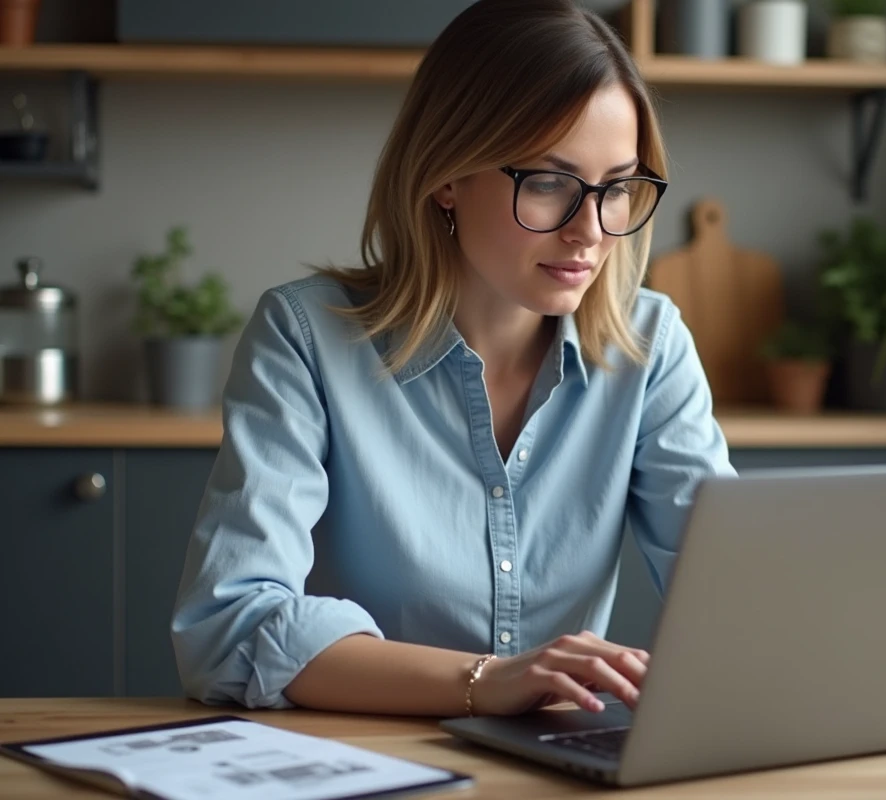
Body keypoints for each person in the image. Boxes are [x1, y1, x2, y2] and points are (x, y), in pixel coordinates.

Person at [171, 0, 736, 719]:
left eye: (617, 188)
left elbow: (738, 594)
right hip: (365, 757)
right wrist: (482, 682)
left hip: (557, 761)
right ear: (447, 175)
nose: (591, 231)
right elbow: (228, 628)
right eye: (549, 183)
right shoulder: (306, 337)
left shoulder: (648, 344)